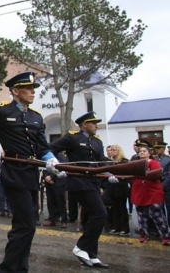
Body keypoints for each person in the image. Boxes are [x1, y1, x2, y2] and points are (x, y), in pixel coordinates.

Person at [0, 71, 59, 272]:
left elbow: (42, 145)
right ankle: (7, 269)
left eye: (34, 89)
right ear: (15, 91)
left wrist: (50, 158)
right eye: (28, 88)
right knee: (26, 225)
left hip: (32, 174)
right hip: (14, 173)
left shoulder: (36, 116)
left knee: (26, 225)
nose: (33, 92)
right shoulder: (2, 111)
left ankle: (20, 268)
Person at [51, 111, 116, 269]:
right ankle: (81, 247)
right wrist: (57, 167)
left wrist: (109, 174)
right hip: (79, 182)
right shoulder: (72, 138)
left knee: (91, 218)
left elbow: (101, 162)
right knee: (101, 214)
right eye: (93, 123)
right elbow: (51, 149)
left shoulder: (97, 142)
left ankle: (92, 255)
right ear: (84, 125)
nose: (96, 126)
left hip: (93, 182)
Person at [131, 144, 170, 245]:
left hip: (152, 192)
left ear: (149, 153)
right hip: (139, 192)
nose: (142, 152)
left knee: (158, 216)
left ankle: (165, 236)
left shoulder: (154, 163)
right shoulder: (135, 163)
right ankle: (144, 234)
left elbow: (156, 175)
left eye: (144, 151)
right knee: (142, 217)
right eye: (140, 151)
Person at [106, 145, 130, 236]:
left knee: (122, 208)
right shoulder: (111, 162)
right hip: (113, 187)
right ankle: (116, 227)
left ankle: (124, 228)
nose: (111, 152)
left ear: (118, 151)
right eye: (110, 150)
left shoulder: (124, 161)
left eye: (113, 150)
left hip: (121, 186)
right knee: (114, 208)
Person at [152, 141, 170, 222]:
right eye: (155, 148)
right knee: (159, 208)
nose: (156, 150)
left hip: (167, 187)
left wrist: (162, 186)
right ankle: (163, 227)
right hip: (156, 186)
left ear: (163, 148)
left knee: (169, 208)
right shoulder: (154, 159)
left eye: (158, 148)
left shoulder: (168, 159)